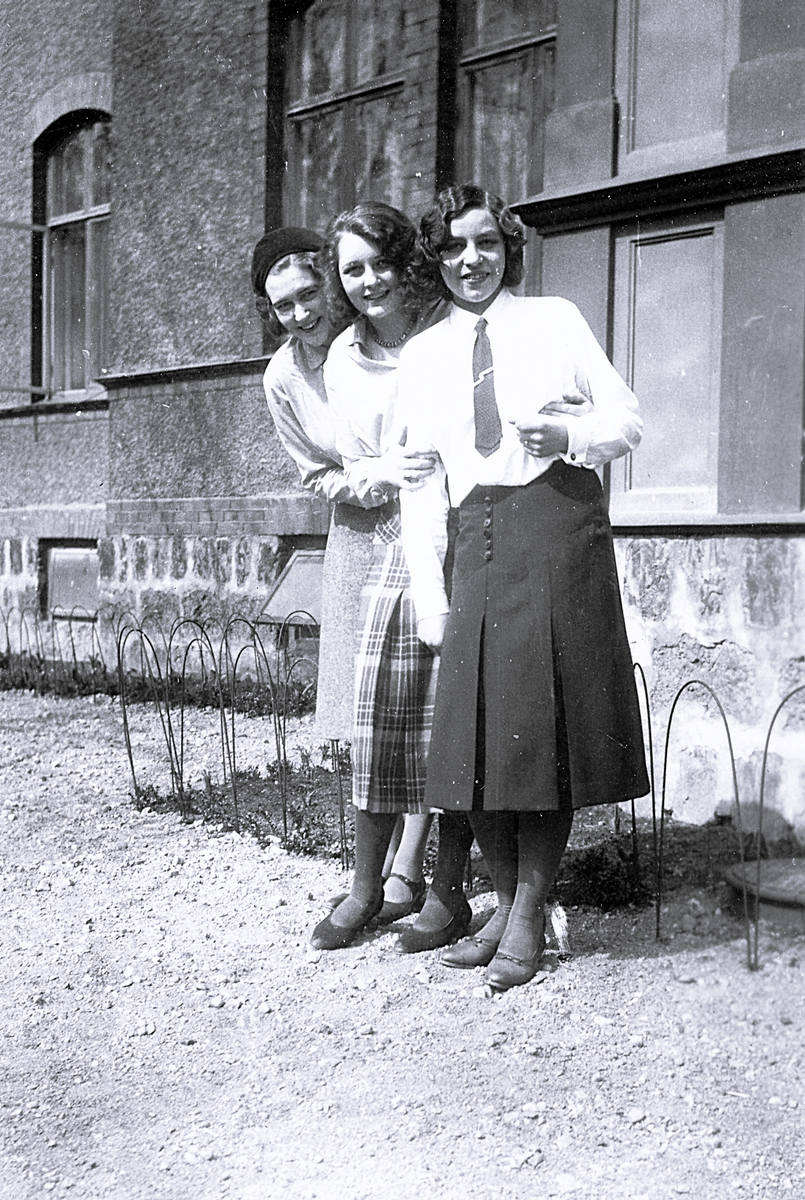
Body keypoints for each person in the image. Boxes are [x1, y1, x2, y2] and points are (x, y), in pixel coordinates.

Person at [398, 183, 650, 990]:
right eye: (452, 247)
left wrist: (567, 432)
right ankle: (505, 905)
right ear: (434, 260)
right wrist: (430, 598)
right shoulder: (421, 355)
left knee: (543, 735)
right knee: (470, 737)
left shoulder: (553, 320)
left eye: (485, 242)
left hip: (555, 528)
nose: (470, 260)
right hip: (473, 538)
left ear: (508, 247)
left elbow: (625, 419)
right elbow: (418, 481)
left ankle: (528, 913)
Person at [251, 226, 444, 921]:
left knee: (423, 698)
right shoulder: (283, 378)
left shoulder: (378, 334)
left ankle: (406, 870)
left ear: (329, 285)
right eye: (283, 306)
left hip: (428, 517)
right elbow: (315, 473)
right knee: (370, 714)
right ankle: (373, 871)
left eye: (309, 294)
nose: (301, 313)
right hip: (360, 535)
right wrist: (371, 482)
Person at [309, 202, 474, 951]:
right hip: (397, 546)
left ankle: (447, 893)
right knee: (381, 718)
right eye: (353, 270)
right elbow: (352, 463)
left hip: (469, 534)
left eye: (380, 262)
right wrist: (384, 468)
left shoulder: (452, 324)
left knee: (462, 718)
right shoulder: (343, 357)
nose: (369, 280)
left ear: (405, 261)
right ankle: (366, 887)